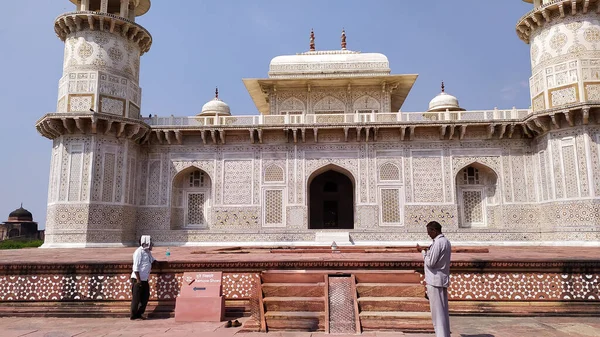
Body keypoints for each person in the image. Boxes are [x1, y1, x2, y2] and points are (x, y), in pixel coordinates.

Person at [417, 221, 451, 337]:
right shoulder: (446, 242)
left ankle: (441, 335)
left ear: (434, 230)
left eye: (429, 232)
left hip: (434, 280)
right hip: (441, 279)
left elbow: (431, 263)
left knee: (437, 312)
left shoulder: (438, 243)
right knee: (443, 310)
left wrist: (423, 253)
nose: (428, 235)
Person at [131, 235, 156, 320]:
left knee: (145, 297)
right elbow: (136, 267)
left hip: (145, 279)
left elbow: (153, 260)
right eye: (150, 241)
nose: (152, 244)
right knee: (136, 298)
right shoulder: (139, 252)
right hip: (138, 279)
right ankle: (133, 315)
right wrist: (138, 280)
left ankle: (139, 314)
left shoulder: (148, 252)